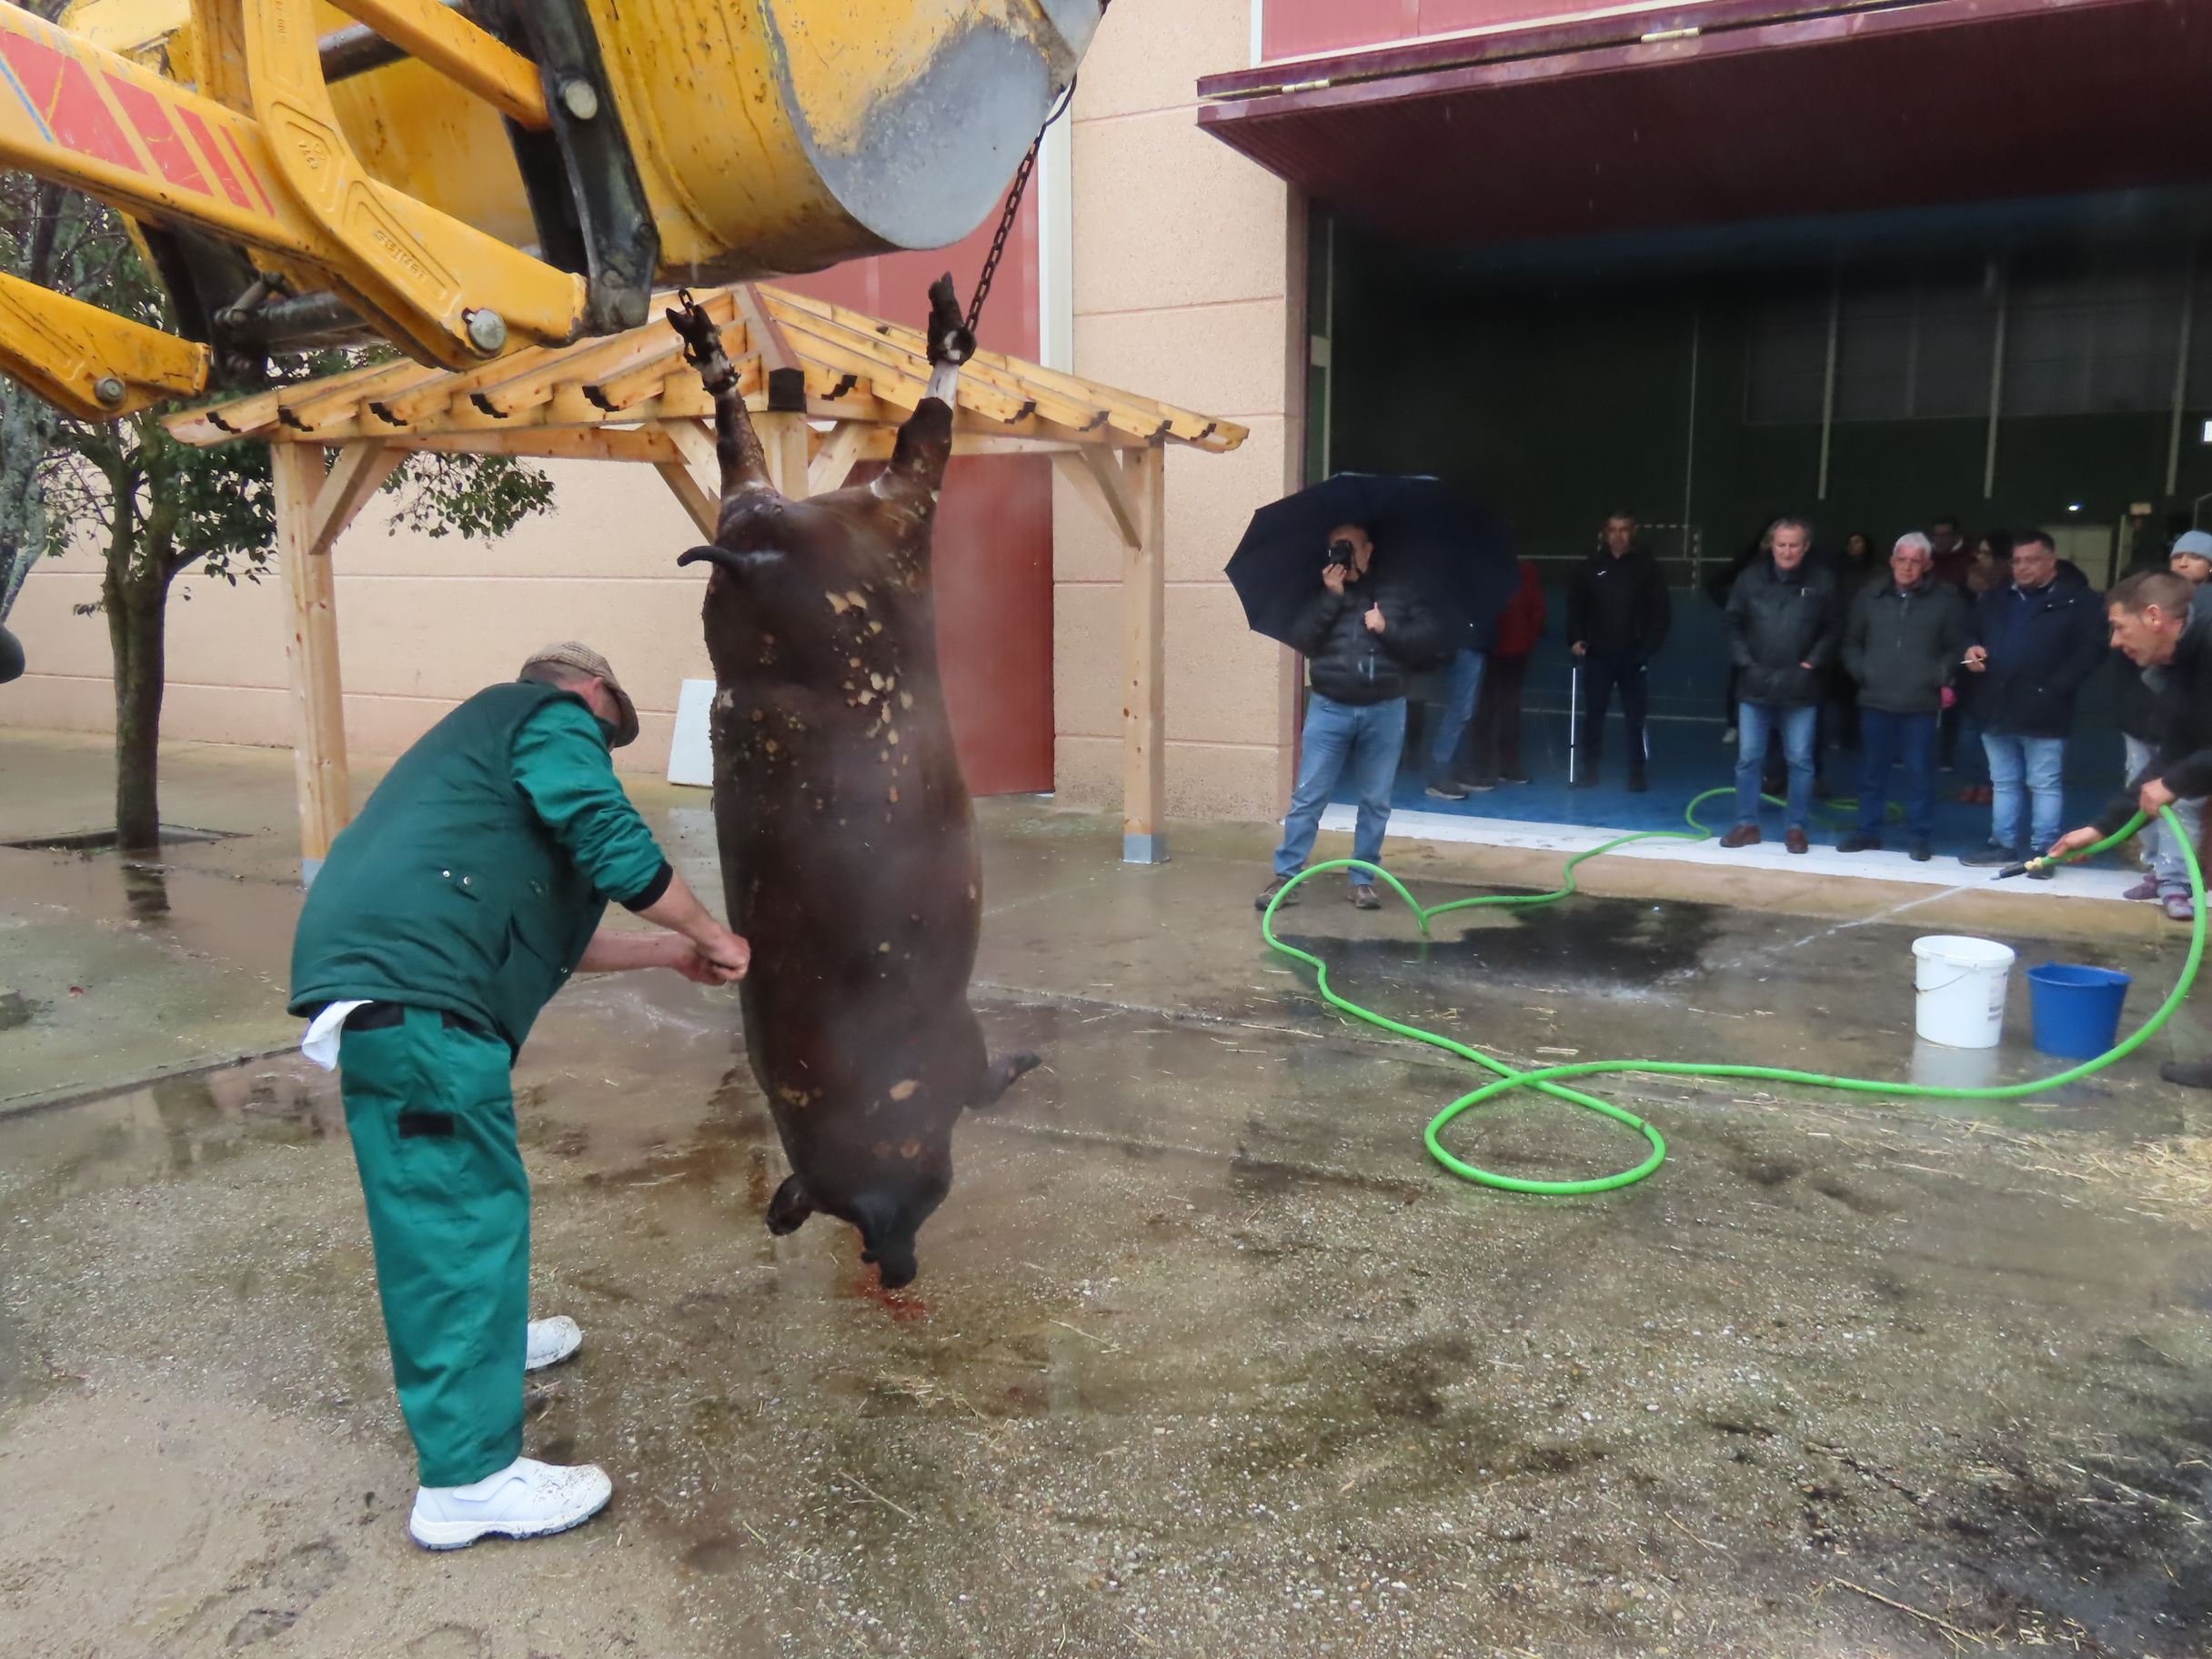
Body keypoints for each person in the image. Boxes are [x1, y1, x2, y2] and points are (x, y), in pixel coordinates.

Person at [289, 643, 751, 1550]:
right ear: (590, 689)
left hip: (409, 990)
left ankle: (486, 1351)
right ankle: (467, 1483)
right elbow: (605, 830)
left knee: (465, 1200)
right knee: (454, 1218)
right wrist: (709, 929)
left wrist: (667, 952)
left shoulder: (484, 778)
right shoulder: (544, 717)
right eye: (609, 716)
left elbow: (546, 937)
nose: (606, 735)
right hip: (421, 1000)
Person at [2045, 571, 2212, 1085]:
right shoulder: (2184, 666)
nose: (2116, 642)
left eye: (2120, 628)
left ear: (2156, 618)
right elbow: (2170, 755)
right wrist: (2099, 828)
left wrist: (2178, 780)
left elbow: (2176, 769)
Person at [1259, 522, 1443, 911]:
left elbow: (1427, 642)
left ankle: (1362, 880)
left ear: (1369, 549)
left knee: (1375, 800)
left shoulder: (1399, 589)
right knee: (1308, 796)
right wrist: (1331, 598)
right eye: (1336, 546)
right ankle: (1287, 876)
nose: (1342, 553)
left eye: (1350, 546)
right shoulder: (1320, 587)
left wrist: (1386, 628)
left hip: (1385, 708)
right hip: (1330, 707)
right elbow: (1301, 639)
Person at [1956, 531, 2107, 870]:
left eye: (2032, 560)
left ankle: (2045, 852)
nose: (2023, 568)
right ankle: (2003, 843)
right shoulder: (1994, 598)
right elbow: (1967, 632)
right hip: (1995, 702)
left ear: (2051, 561)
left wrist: (2053, 689)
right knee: (2004, 781)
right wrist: (1969, 652)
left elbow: (2091, 653)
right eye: (2018, 561)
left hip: (2046, 707)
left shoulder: (2079, 600)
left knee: (2044, 783)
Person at [1835, 534, 1965, 862]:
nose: (1908, 566)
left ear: (1927, 564)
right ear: (1892, 561)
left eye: (1915, 561)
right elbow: (1850, 640)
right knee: (1871, 772)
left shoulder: (1946, 599)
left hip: (1920, 703)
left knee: (1921, 773)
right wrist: (1862, 672)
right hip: (1875, 698)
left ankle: (1918, 836)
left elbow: (1956, 647)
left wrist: (1939, 675)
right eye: (1902, 559)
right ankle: (1868, 831)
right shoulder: (1870, 596)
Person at [1719, 518, 1836, 854]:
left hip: (1801, 687)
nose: (1787, 551)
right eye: (1781, 544)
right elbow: (1732, 622)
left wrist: (1811, 663)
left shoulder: (1823, 581)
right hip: (1754, 684)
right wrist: (1745, 662)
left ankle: (1796, 828)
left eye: (1794, 545)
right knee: (1748, 759)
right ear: (1772, 545)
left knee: (1800, 761)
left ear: (1806, 547)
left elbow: (1834, 628)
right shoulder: (1750, 578)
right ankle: (1746, 824)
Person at [2114, 531, 2212, 919]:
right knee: (2149, 791)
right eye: (2179, 555)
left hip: (2184, 734)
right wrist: (2099, 829)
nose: (2185, 562)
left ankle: (2177, 881)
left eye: (2196, 556)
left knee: (2182, 798)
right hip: (2147, 723)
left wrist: (2174, 780)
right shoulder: (2157, 644)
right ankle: (2158, 868)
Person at [1567, 512, 1671, 792]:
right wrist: (1577, 638)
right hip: (1598, 654)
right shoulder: (1591, 566)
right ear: (1604, 532)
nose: (1618, 535)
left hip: (1632, 654)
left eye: (1624, 529)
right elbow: (1576, 606)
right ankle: (1589, 769)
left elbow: (1660, 611)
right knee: (1594, 713)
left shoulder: (1647, 567)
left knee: (1635, 715)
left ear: (1633, 531)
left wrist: (1648, 647)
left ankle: (1637, 771)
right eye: (1613, 530)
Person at [1463, 556, 1546, 789]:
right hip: (1487, 650)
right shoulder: (1481, 570)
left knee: (1510, 710)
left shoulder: (1526, 571)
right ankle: (1481, 765)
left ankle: (1509, 765)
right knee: (1484, 710)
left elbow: (1537, 608)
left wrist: (1528, 639)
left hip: (1516, 652)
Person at [1927, 516, 1974, 588]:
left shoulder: (1972, 556)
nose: (1939, 540)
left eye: (1944, 535)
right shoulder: (1926, 556)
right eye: (1936, 535)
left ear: (1956, 536)